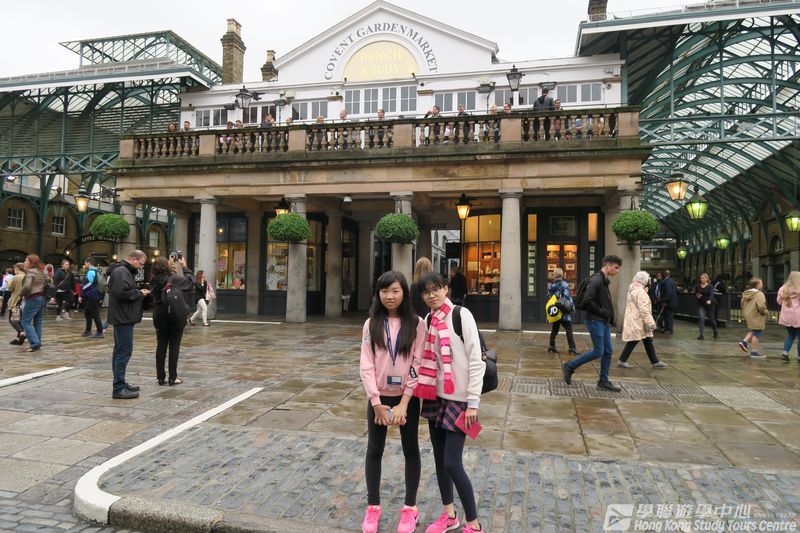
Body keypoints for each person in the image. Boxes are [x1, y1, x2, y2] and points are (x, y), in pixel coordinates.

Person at [416, 271, 485, 533]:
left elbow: (476, 360)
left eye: (436, 289)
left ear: (446, 289)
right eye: (426, 292)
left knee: (452, 462)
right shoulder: (428, 319)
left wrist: (473, 403)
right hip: (435, 397)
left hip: (460, 401)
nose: (431, 295)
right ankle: (449, 515)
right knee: (439, 459)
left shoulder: (461, 315)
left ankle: (474, 524)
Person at [359, 271, 425, 533]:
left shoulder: (417, 324)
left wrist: (404, 403)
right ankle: (373, 507)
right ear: (378, 294)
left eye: (395, 291)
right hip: (379, 397)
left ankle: (410, 509)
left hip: (407, 398)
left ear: (404, 293)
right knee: (374, 450)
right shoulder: (371, 324)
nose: (390, 296)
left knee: (411, 450)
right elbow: (366, 364)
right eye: (385, 291)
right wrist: (376, 402)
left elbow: (418, 362)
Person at [562, 255, 623, 392]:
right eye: (616, 267)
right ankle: (570, 366)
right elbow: (587, 300)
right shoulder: (596, 280)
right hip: (595, 321)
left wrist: (608, 316)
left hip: (602, 321)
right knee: (598, 351)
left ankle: (603, 381)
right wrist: (603, 312)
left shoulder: (603, 280)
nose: (617, 271)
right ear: (608, 266)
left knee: (608, 350)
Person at [107, 250, 150, 399]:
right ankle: (118, 388)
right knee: (124, 352)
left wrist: (137, 291)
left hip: (123, 317)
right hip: (123, 318)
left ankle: (120, 382)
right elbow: (122, 293)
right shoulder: (121, 272)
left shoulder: (123, 271)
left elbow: (124, 291)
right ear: (133, 259)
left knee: (120, 350)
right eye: (141, 264)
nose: (141, 267)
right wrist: (139, 293)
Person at [150, 256, 194, 386]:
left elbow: (165, 278)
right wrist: (184, 266)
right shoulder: (173, 278)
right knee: (174, 346)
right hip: (173, 314)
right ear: (167, 267)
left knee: (161, 345)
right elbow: (190, 282)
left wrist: (169, 265)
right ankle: (172, 377)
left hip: (159, 315)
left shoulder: (153, 279)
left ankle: (160, 377)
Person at [617, 271, 668, 369]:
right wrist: (652, 323)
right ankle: (622, 361)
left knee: (647, 340)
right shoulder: (640, 292)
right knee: (635, 340)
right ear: (644, 281)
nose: (648, 282)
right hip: (639, 320)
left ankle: (655, 361)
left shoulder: (633, 289)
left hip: (635, 319)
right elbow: (644, 310)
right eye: (647, 280)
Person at [20, 255, 48, 352]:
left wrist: (20, 294)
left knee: (25, 321)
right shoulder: (42, 271)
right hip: (42, 297)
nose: (24, 262)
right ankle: (37, 342)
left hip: (33, 298)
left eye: (26, 260)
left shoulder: (31, 272)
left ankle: (35, 343)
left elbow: (27, 286)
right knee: (38, 321)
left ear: (31, 262)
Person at [547, 268, 577, 355]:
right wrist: (572, 307)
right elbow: (567, 297)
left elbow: (549, 297)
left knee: (555, 328)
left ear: (554, 276)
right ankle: (572, 347)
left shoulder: (551, 286)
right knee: (568, 328)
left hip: (555, 310)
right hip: (563, 310)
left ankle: (551, 345)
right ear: (562, 275)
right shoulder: (564, 284)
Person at [739, 277, 767, 358]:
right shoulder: (759, 294)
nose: (762, 284)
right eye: (761, 283)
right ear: (757, 285)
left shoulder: (746, 293)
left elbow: (741, 304)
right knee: (757, 332)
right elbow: (761, 306)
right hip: (756, 315)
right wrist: (766, 312)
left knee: (754, 330)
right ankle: (754, 352)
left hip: (749, 314)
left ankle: (744, 342)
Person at [79, 257, 105, 338]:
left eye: (85, 263)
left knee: (95, 314)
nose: (84, 264)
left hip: (91, 296)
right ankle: (88, 330)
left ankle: (100, 332)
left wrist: (82, 294)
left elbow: (88, 285)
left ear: (88, 263)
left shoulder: (90, 272)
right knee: (88, 313)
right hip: (96, 295)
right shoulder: (97, 271)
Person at [777, 271, 800, 363]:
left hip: (787, 316)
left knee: (791, 335)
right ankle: (799, 357)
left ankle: (785, 353)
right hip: (798, 317)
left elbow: (779, 301)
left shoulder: (782, 288)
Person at [694, 273, 718, 340]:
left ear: (707, 279)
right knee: (701, 318)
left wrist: (709, 300)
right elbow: (696, 294)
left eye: (703, 278)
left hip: (709, 305)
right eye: (701, 278)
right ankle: (701, 335)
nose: (702, 279)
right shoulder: (697, 286)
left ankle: (715, 332)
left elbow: (711, 294)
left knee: (711, 320)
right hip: (701, 305)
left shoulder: (710, 286)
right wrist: (697, 296)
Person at [6, 263, 26, 345]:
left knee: (12, 319)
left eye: (14, 269)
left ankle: (22, 333)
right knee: (19, 319)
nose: (14, 271)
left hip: (16, 300)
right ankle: (20, 337)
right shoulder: (27, 276)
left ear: (17, 268)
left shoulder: (17, 277)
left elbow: (10, 289)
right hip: (24, 301)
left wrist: (8, 282)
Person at [659, 270, 678, 334]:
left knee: (668, 316)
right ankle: (667, 328)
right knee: (667, 316)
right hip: (671, 302)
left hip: (668, 302)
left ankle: (669, 329)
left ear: (664, 275)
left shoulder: (667, 282)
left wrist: (664, 301)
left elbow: (669, 293)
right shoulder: (672, 281)